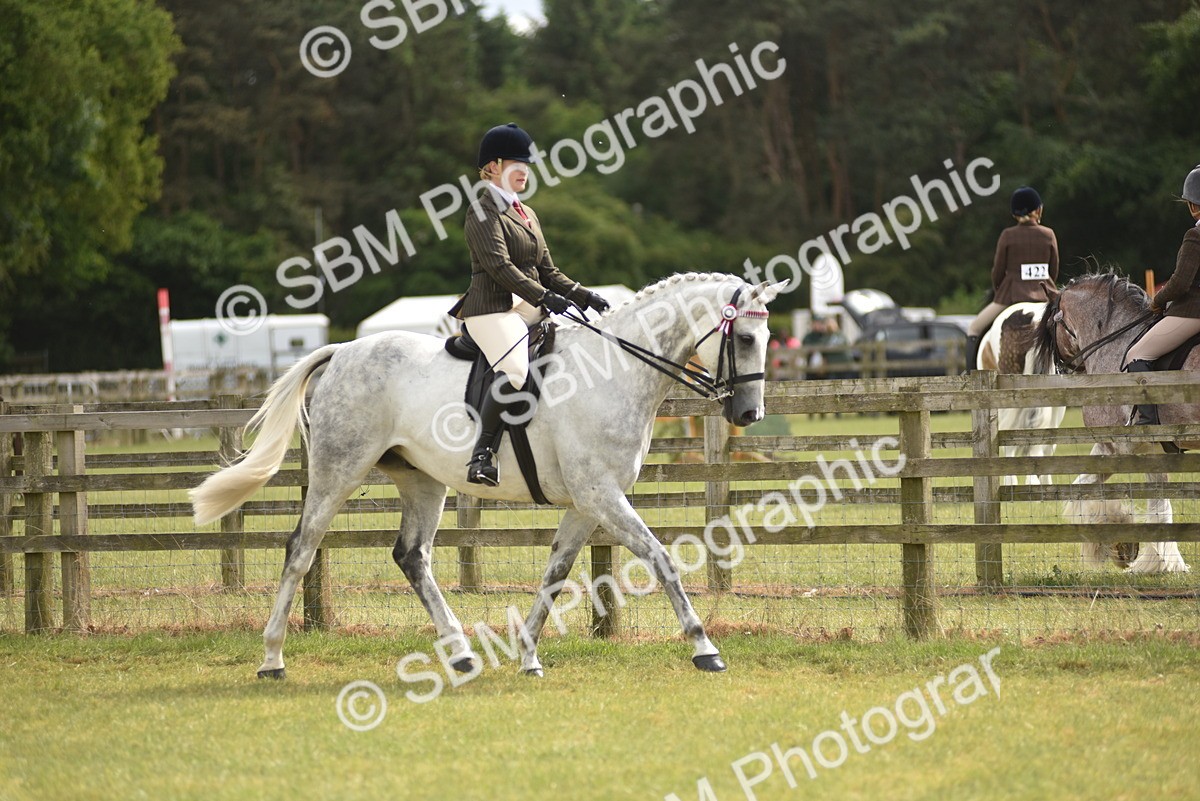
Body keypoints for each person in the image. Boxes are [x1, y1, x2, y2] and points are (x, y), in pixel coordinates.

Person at [448, 123, 610, 486]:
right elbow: (500, 267)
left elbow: (548, 271)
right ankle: (481, 456)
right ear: (492, 167)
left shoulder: (527, 213)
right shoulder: (481, 210)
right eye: (515, 163)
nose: (524, 170)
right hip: (493, 309)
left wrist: (586, 296)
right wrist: (544, 297)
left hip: (529, 305)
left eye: (527, 164)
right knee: (517, 372)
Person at [1122, 164, 1200, 427]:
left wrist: (1156, 300)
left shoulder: (1195, 236)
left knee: (1137, 354)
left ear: (1193, 205)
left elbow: (1179, 284)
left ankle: (1148, 422)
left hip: (1192, 313)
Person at [965, 186, 1059, 370]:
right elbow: (1053, 270)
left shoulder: (1007, 235)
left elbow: (997, 272)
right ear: (1038, 209)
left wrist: (999, 290)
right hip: (1045, 294)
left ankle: (969, 376)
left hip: (1011, 295)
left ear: (1015, 214)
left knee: (974, 328)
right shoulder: (1048, 234)